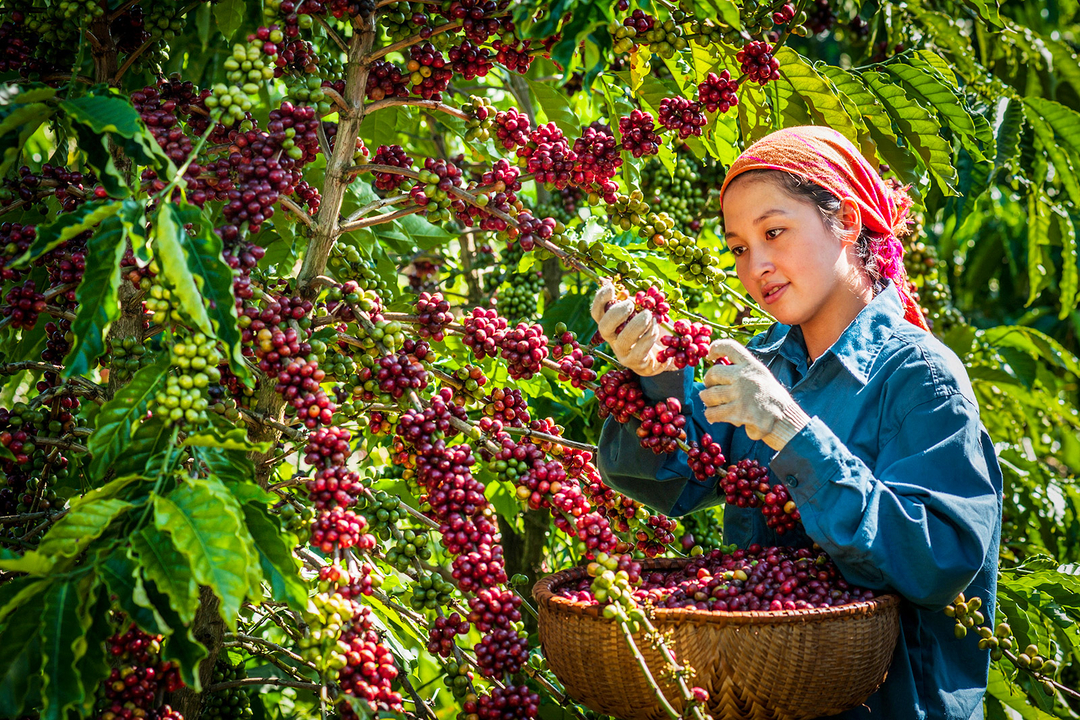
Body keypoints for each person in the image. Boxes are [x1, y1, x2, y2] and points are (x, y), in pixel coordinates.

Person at [591, 125, 1003, 719]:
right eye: (737, 247)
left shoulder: (919, 378)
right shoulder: (766, 364)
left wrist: (791, 432)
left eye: (775, 232)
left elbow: (937, 559)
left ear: (848, 222)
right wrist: (652, 374)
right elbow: (669, 479)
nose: (756, 264)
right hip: (766, 696)